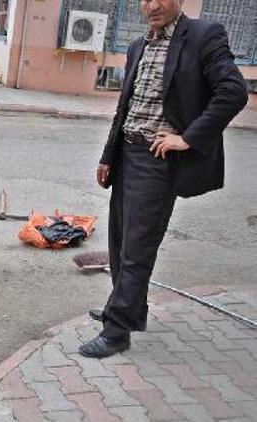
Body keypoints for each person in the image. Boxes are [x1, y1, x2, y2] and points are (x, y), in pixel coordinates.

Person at [81, 0, 248, 358]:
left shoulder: (203, 35)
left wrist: (187, 138)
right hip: (127, 153)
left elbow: (232, 91)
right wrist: (108, 156)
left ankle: (117, 331)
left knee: (138, 249)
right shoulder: (138, 45)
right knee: (120, 242)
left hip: (159, 160)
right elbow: (126, 106)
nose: (152, 5)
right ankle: (125, 308)